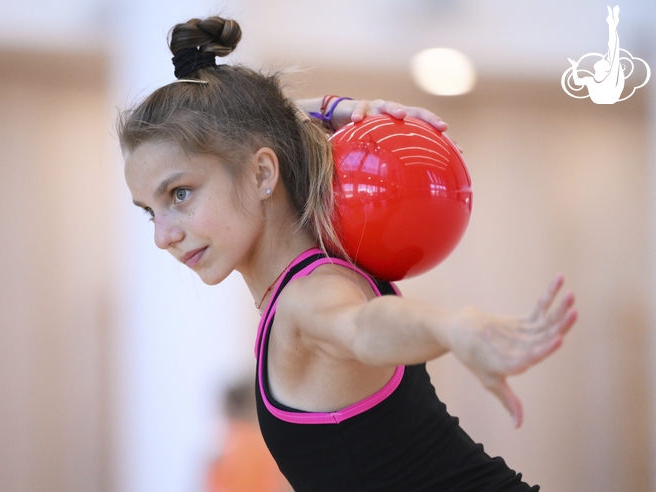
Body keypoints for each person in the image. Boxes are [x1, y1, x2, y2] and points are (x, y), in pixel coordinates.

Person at [118, 16, 577, 492]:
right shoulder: (305, 276)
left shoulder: (310, 295)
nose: (163, 236)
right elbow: (253, 133)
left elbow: (363, 327)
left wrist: (451, 327)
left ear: (261, 175)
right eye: (150, 211)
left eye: (180, 194)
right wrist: (331, 109)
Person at [568, 5, 624, 104]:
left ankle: (612, 24)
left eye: (602, 61)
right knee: (613, 51)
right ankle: (612, 24)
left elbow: (613, 49)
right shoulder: (596, 79)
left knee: (613, 50)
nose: (600, 60)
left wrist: (574, 68)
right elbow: (577, 82)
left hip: (606, 98)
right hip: (606, 99)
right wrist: (574, 67)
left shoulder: (605, 78)